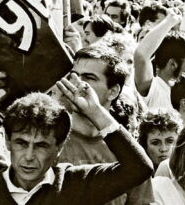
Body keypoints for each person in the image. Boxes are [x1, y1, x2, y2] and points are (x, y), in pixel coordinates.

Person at [0, 89, 153, 205]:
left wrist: (95, 112)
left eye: (41, 145)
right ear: (7, 142)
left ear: (59, 147)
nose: (29, 156)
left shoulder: (74, 184)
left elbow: (139, 169)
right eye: (21, 143)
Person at [55, 45, 154, 205]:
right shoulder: (48, 140)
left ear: (113, 91)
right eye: (73, 76)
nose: (77, 84)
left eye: (89, 78)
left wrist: (95, 112)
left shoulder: (127, 151)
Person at [134, 10, 185, 109]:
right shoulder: (153, 88)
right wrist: (170, 21)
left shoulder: (184, 91)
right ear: (173, 64)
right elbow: (141, 55)